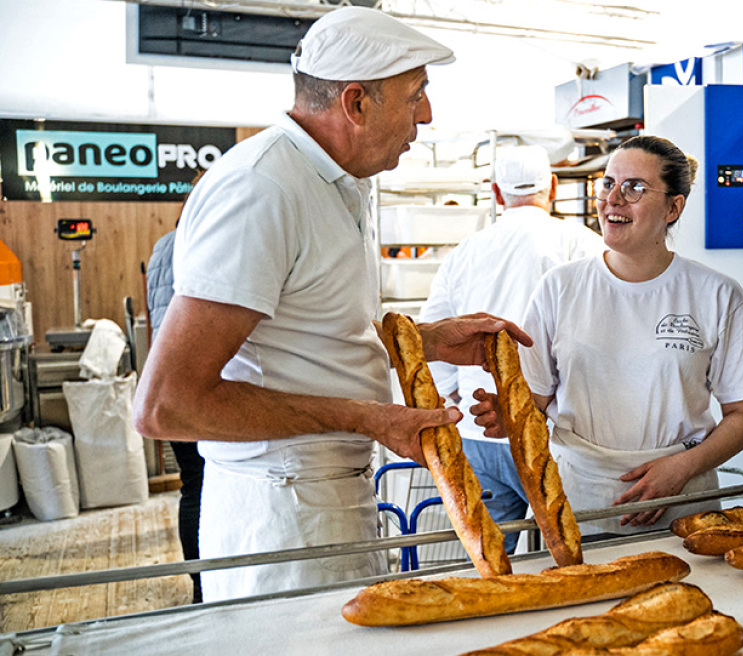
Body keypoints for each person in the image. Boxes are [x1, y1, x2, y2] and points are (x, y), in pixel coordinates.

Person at [132, 7, 530, 602]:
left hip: (324, 497)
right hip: (280, 514)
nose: (427, 114)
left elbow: (310, 329)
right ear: (356, 103)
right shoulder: (262, 188)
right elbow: (168, 404)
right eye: (416, 93)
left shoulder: (338, 181)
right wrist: (369, 418)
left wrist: (425, 339)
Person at [479, 135, 743, 538]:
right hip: (578, 500)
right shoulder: (559, 287)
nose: (613, 198)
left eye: (634, 187)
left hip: (682, 504)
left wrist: (682, 469)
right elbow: (536, 401)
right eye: (607, 183)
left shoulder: (716, 293)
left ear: (674, 207)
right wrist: (509, 416)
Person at [420, 145, 604, 553]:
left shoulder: (464, 252)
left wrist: (457, 393)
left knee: (492, 557)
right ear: (553, 187)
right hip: (550, 437)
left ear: (497, 194)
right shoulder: (581, 243)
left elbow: (434, 329)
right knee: (565, 551)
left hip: (477, 431)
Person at [146, 219, 206, 604]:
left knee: (191, 487)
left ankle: (200, 586)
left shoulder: (161, 246)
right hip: (200, 386)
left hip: (166, 383)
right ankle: (209, 586)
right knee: (205, 488)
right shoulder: (204, 239)